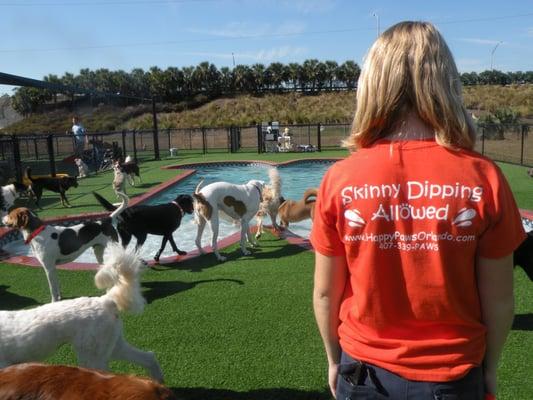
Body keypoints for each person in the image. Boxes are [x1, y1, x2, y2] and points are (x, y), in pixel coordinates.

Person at [310, 21, 525, 400]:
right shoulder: (483, 178)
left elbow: (326, 294)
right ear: (445, 82)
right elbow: (500, 300)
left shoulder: (339, 179)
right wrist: (489, 369)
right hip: (454, 378)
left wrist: (333, 360)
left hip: (361, 376)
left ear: (373, 85)